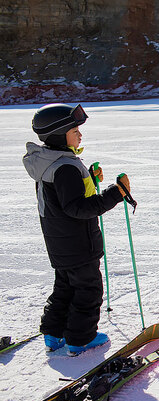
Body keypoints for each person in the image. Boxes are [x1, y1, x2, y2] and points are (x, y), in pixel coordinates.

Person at [23, 103, 129, 356]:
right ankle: (81, 338)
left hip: (60, 243)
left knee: (65, 287)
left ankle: (53, 332)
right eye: (74, 131)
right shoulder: (66, 167)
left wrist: (90, 180)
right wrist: (116, 193)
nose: (80, 135)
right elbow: (77, 208)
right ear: (60, 136)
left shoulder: (51, 162)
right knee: (88, 290)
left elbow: (62, 199)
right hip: (78, 243)